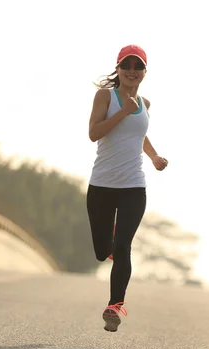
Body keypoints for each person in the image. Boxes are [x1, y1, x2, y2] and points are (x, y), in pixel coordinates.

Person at [87, 44, 168, 332]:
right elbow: (94, 133)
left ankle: (115, 305)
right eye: (127, 66)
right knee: (102, 251)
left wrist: (154, 156)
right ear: (118, 69)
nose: (132, 72)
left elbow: (139, 136)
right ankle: (107, 245)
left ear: (145, 72)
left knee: (123, 246)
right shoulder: (105, 96)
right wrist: (122, 113)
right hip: (102, 185)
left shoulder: (145, 104)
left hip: (134, 185)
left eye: (138, 67)